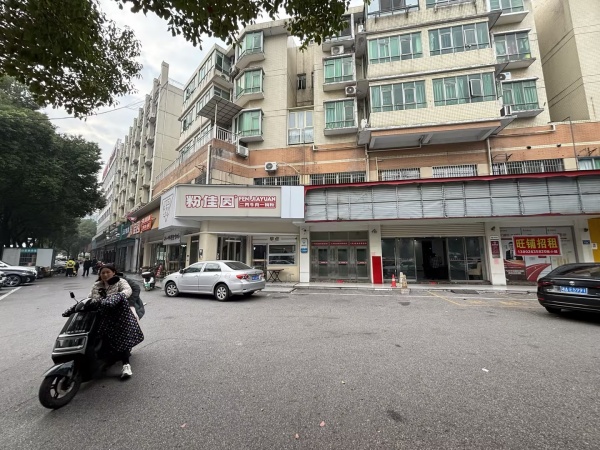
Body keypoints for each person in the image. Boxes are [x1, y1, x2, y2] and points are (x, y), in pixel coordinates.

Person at [88, 264, 143, 379]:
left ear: (113, 272)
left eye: (108, 272)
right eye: (103, 273)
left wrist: (119, 297)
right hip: (102, 314)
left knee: (121, 337)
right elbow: (90, 298)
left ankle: (126, 365)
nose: (105, 274)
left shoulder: (120, 281)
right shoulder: (96, 285)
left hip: (119, 314)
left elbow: (128, 291)